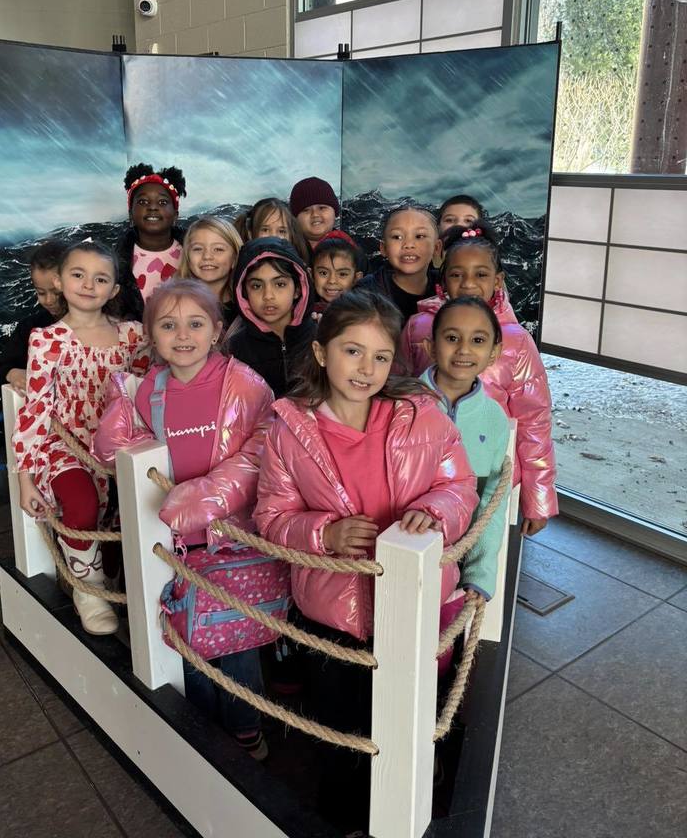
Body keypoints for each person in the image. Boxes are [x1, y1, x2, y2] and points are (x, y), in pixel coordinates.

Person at [255, 290, 478, 832]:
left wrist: (435, 510)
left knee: (412, 713)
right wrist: (323, 533)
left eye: (380, 357)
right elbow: (271, 516)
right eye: (352, 352)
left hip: (412, 604)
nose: (366, 369)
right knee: (342, 724)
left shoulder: (419, 415)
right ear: (322, 353)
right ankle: (349, 813)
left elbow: (461, 484)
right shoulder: (289, 429)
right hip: (332, 614)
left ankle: (415, 794)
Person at [94, 278, 274, 759]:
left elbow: (266, 447)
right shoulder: (148, 387)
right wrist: (117, 404)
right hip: (172, 547)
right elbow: (113, 453)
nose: (183, 335)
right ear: (152, 336)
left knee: (237, 641)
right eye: (168, 326)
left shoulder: (245, 383)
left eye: (195, 323)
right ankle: (206, 733)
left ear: (217, 330)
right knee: (185, 640)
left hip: (234, 543)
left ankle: (246, 727)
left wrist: (213, 494)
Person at [13, 240, 147, 635]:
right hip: (66, 442)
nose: (89, 284)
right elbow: (36, 408)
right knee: (83, 505)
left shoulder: (132, 335)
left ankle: (115, 584)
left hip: (120, 445)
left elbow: (141, 392)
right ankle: (88, 589)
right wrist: (25, 478)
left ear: (115, 290)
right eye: (78, 274)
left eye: (100, 278)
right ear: (58, 280)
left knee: (120, 518)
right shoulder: (47, 340)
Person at [401, 221, 557, 536]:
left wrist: (538, 498)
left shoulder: (516, 341)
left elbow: (534, 420)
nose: (468, 284)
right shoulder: (418, 328)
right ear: (443, 282)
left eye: (481, 274)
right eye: (457, 274)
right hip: (424, 474)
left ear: (497, 281)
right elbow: (398, 391)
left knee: (484, 559)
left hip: (489, 476)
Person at [418, 296, 511, 671]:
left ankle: (435, 718)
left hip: (456, 559)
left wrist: (480, 569)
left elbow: (493, 498)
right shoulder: (403, 402)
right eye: (452, 337)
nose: (463, 350)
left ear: (494, 352)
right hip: (401, 546)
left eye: (477, 340)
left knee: (440, 649)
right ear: (430, 345)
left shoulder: (494, 418)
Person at [227, 236, 315, 398]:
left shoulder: (320, 336)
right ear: (244, 292)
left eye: (280, 284)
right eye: (256, 286)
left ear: (297, 289)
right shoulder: (235, 349)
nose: (268, 295)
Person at [0, 239, 65, 396]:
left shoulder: (101, 323)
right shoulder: (30, 327)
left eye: (57, 293)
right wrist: (12, 373)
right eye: (41, 292)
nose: (49, 300)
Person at [117, 163, 187, 319]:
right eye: (143, 202)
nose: (152, 207)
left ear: (175, 214)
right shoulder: (116, 261)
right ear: (130, 213)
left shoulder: (191, 252)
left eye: (162, 202)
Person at [355, 204, 441, 326]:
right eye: (397, 237)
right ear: (383, 248)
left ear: (437, 248)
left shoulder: (447, 284)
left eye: (419, 236)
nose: (408, 244)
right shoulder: (366, 292)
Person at [179, 215, 243, 326]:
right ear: (187, 257)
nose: (207, 256)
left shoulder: (248, 306)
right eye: (198, 249)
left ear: (235, 257)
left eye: (218, 249)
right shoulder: (175, 303)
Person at [234, 196, 310, 264]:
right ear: (250, 234)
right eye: (265, 230)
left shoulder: (301, 271)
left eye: (281, 231)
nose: (273, 237)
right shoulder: (242, 270)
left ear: (291, 236)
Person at [311, 234, 364, 315]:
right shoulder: (303, 313)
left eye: (342, 274)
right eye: (323, 273)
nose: (332, 281)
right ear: (311, 275)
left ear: (356, 278)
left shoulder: (363, 315)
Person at [289, 176, 340, 248]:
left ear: (335, 212)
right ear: (295, 218)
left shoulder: (350, 250)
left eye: (322, 208)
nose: (315, 214)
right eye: (306, 210)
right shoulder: (285, 253)